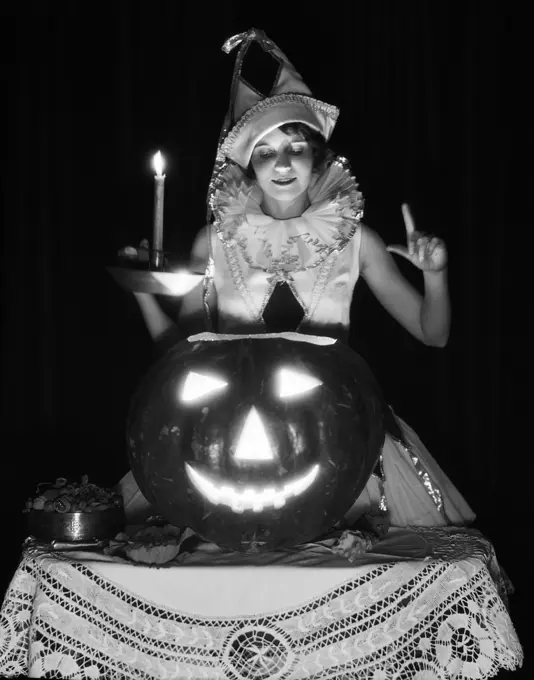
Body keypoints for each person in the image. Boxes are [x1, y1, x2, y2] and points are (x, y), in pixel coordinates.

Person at [120, 28, 475, 529]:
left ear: (318, 156)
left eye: (296, 147)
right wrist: (142, 293)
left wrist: (436, 277)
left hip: (338, 440)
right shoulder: (215, 240)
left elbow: (433, 335)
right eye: (265, 153)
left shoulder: (356, 239)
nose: (282, 164)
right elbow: (179, 357)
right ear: (249, 165)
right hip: (226, 442)